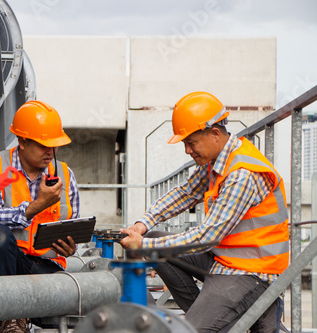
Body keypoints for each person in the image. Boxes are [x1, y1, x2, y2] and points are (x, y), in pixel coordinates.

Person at [120, 91, 289, 332]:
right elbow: (186, 193)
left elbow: (208, 236)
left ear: (215, 134)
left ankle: (210, 321)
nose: (187, 151)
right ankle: (216, 318)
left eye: (191, 143)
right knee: (154, 240)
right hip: (224, 259)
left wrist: (142, 246)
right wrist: (143, 225)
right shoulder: (217, 160)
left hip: (250, 272)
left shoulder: (241, 173)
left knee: (192, 328)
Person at [0, 100, 80, 332]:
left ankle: (18, 316)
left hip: (45, 268)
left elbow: (72, 226)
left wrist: (70, 247)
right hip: (4, 266)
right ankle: (12, 318)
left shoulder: (65, 174)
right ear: (22, 142)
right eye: (44, 145)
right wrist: (35, 207)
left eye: (54, 145)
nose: (51, 152)